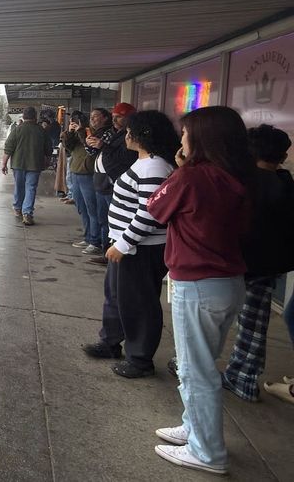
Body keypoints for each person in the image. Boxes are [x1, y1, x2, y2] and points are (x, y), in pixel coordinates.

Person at [146, 106, 253, 476]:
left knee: (195, 371)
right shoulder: (236, 177)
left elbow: (155, 206)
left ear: (202, 139)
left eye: (186, 133)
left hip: (197, 284)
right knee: (202, 364)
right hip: (228, 283)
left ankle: (207, 452)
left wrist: (182, 169)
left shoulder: (191, 177)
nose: (182, 139)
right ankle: (192, 427)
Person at [81, 111, 180, 378]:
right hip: (128, 244)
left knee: (139, 302)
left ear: (142, 135)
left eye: (129, 131)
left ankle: (140, 358)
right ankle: (110, 341)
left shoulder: (155, 167)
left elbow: (149, 213)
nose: (125, 135)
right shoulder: (145, 162)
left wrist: (124, 244)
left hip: (140, 248)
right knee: (116, 295)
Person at [219, 125, 294, 402]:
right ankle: (245, 377)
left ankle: (198, 367)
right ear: (282, 156)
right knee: (253, 324)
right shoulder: (285, 184)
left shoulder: (241, 183)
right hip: (267, 266)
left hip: (235, 263)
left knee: (214, 319)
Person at [86, 104, 137, 264]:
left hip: (114, 183)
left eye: (119, 117)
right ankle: (105, 251)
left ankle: (114, 252)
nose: (114, 120)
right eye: (113, 116)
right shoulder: (113, 133)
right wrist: (91, 143)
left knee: (115, 221)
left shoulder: (130, 136)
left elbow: (125, 157)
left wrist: (103, 146)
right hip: (102, 183)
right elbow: (96, 152)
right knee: (104, 219)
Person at [2, 106, 52, 226]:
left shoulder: (17, 130)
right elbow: (48, 149)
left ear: (24, 116)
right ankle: (27, 213)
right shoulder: (41, 131)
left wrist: (4, 163)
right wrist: (47, 161)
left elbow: (8, 148)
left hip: (18, 164)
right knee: (31, 188)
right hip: (35, 164)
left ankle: (18, 208)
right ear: (35, 117)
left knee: (19, 186)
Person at [62, 112, 99, 254]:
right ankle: (88, 236)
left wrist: (81, 131)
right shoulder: (75, 134)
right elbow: (68, 147)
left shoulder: (91, 132)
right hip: (75, 172)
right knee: (81, 207)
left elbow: (90, 148)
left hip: (88, 174)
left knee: (91, 208)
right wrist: (70, 133)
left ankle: (95, 241)